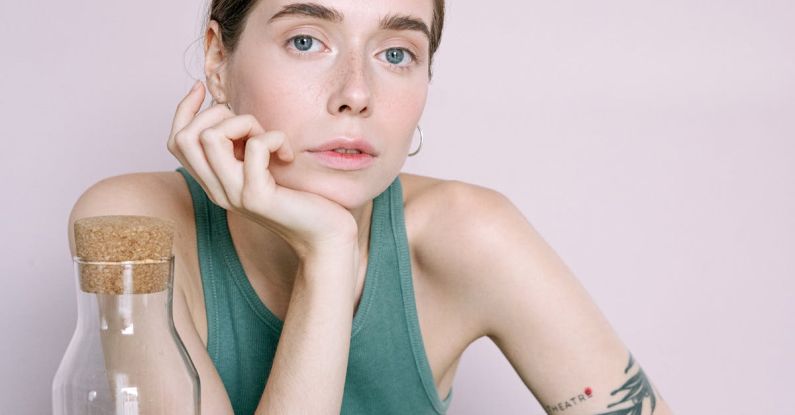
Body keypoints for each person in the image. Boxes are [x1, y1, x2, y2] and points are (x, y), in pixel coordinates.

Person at [68, 1, 675, 414]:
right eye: (306, 41)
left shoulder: (471, 233)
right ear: (218, 61)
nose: (357, 93)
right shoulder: (133, 225)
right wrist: (329, 255)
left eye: (396, 54)